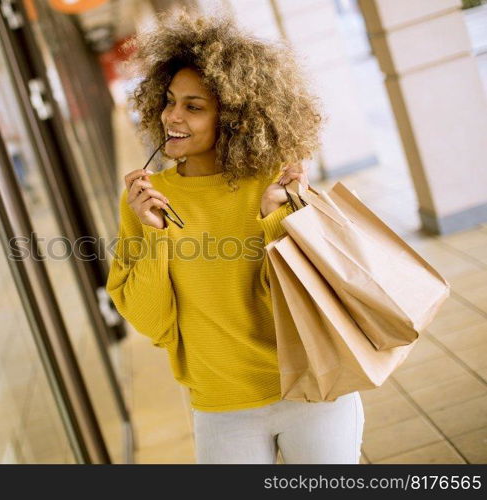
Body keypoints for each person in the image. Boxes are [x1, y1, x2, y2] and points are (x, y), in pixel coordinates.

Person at [106, 9, 364, 464]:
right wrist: (156, 237)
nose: (172, 116)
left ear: (235, 118)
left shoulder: (273, 183)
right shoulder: (149, 199)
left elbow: (304, 303)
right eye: (169, 100)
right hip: (222, 406)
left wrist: (272, 219)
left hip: (311, 390)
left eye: (194, 106)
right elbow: (150, 321)